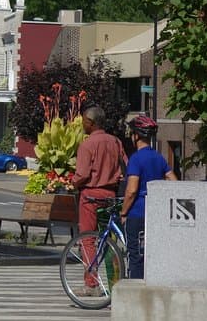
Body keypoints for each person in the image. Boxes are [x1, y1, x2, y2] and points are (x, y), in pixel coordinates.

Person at [71, 105, 127, 297]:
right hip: (110, 195)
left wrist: (73, 182)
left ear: (91, 122)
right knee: (109, 240)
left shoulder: (87, 145)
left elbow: (83, 174)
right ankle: (114, 284)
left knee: (87, 239)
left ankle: (91, 284)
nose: (82, 124)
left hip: (90, 195)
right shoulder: (116, 142)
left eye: (84, 121)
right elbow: (125, 167)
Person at [120, 115, 176, 279]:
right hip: (155, 214)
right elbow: (173, 180)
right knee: (150, 255)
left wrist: (124, 212)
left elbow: (131, 190)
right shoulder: (158, 157)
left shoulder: (136, 159)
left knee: (135, 255)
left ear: (136, 135)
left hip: (137, 213)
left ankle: (136, 291)